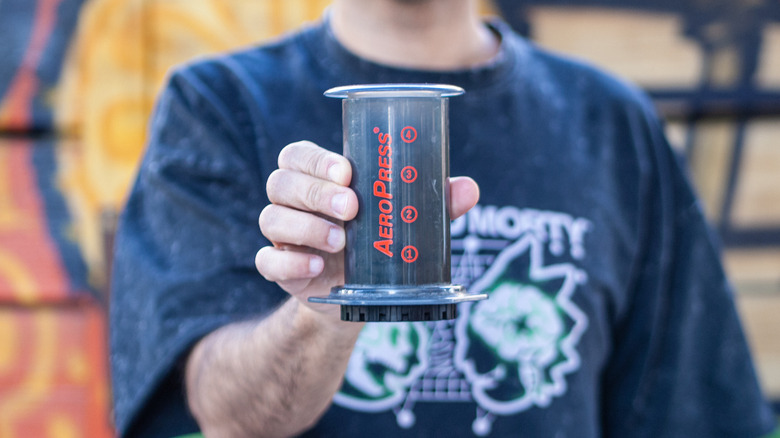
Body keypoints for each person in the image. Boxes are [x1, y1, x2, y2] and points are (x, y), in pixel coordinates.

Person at [109, 0, 778, 436]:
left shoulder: (611, 124)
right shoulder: (218, 107)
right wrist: (322, 308)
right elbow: (224, 413)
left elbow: (691, 412)